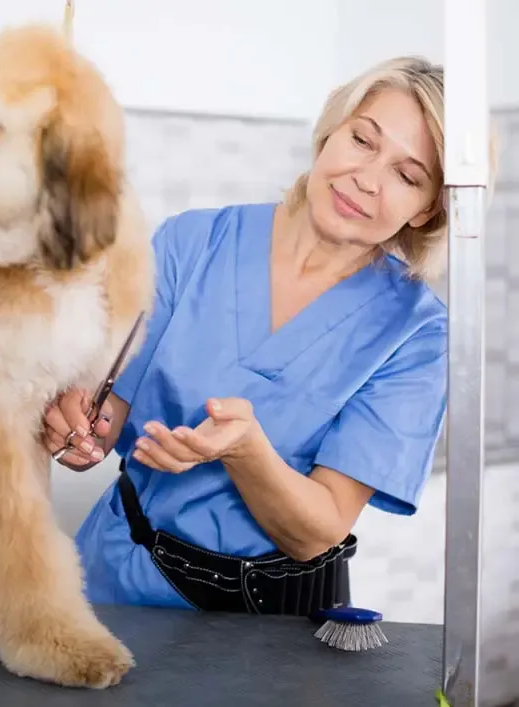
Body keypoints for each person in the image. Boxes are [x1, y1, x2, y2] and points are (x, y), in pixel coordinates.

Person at [41, 56, 498, 614]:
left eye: (407, 176)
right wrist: (75, 429)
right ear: (332, 130)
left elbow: (317, 533)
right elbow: (104, 415)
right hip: (112, 573)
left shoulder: (416, 335)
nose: (366, 179)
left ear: (428, 209)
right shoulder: (191, 243)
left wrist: (245, 452)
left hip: (263, 621)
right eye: (362, 140)